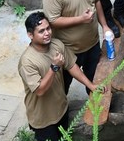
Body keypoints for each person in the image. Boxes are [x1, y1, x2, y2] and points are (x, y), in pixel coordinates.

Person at [18, 11, 97, 141]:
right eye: (41, 31)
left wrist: (91, 86)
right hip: (43, 119)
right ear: (30, 35)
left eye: (48, 28)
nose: (47, 33)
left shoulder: (57, 45)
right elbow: (40, 90)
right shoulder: (27, 62)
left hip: (61, 109)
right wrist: (54, 67)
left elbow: (72, 66)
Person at [43, 0, 109, 94]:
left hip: (92, 44)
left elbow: (97, 0)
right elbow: (52, 21)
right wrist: (81, 19)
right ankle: (61, 113)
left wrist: (104, 26)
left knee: (94, 83)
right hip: (69, 49)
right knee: (62, 86)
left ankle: (95, 111)